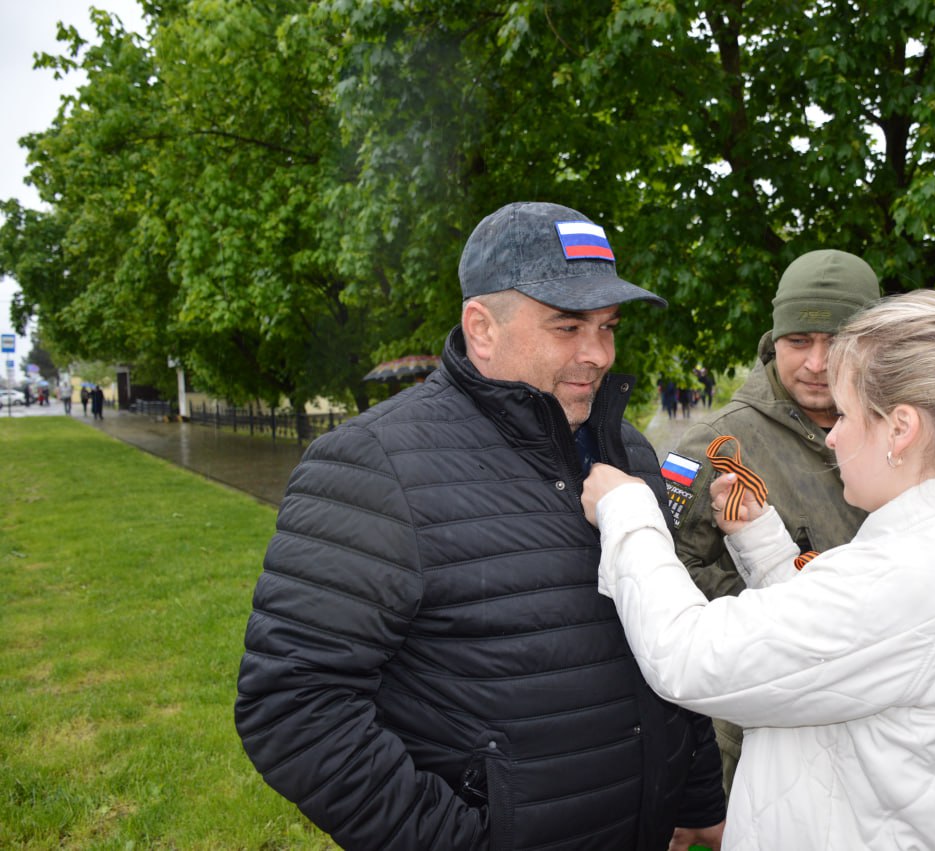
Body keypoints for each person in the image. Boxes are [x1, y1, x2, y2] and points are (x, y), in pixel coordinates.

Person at [235, 201, 726, 851]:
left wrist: (693, 794)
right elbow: (293, 706)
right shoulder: (375, 465)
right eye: (568, 326)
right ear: (482, 328)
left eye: (608, 326)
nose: (599, 354)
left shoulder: (628, 452)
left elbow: (666, 628)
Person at [582, 289, 935, 848]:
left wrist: (628, 513)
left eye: (846, 414)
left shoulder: (913, 574)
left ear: (901, 429)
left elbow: (689, 656)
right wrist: (763, 545)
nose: (832, 434)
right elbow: (843, 645)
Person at [663, 249, 879, 792]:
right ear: (774, 341)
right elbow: (668, 571)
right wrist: (770, 611)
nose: (817, 363)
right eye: (799, 341)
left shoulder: (901, 429)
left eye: (838, 343)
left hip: (875, 725)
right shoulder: (717, 443)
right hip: (761, 735)